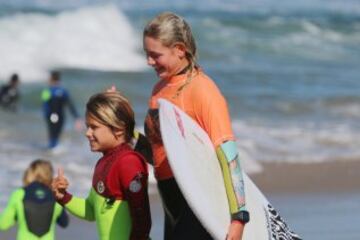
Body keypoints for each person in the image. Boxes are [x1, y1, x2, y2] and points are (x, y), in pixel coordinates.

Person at [142, 12, 249, 240]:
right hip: (169, 197)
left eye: (155, 55)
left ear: (179, 49)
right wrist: (119, 123)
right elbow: (157, 154)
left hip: (199, 199)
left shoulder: (203, 91)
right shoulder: (159, 90)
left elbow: (228, 154)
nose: (149, 61)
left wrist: (239, 218)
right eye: (146, 54)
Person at [52, 91, 152, 240]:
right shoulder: (103, 163)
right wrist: (63, 197)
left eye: (94, 127)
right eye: (87, 126)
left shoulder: (128, 162)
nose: (87, 133)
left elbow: (142, 220)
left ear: (118, 129)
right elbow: (92, 210)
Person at [0, 159, 69, 240]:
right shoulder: (54, 196)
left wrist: (17, 215)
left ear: (29, 173)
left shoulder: (19, 195)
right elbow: (64, 223)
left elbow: (3, 224)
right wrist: (62, 195)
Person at [41, 71, 82, 150]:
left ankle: (51, 149)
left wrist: (46, 116)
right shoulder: (64, 91)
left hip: (50, 116)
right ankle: (54, 149)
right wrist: (76, 117)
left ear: (51, 79)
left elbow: (44, 105)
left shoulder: (47, 91)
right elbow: (70, 105)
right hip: (61, 116)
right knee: (57, 134)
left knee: (52, 134)